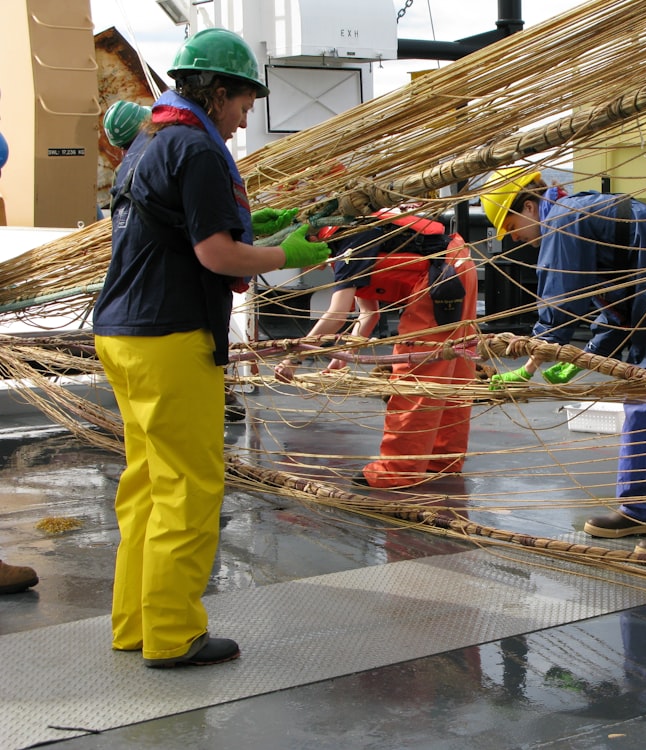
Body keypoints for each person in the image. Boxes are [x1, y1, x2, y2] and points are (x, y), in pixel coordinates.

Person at [92, 28, 331, 668]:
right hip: (171, 336)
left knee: (145, 483)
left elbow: (182, 222)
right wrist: (290, 254)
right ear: (217, 92)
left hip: (123, 333)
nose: (244, 119)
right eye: (244, 104)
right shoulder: (195, 148)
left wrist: (262, 223)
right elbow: (216, 253)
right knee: (190, 486)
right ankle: (174, 633)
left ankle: (136, 622)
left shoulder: (150, 143)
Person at [481, 168, 646, 560]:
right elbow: (614, 300)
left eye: (511, 225)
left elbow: (560, 301)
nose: (513, 237)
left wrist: (530, 363)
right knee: (639, 408)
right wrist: (594, 352)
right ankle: (642, 510)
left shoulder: (563, 221)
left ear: (530, 207)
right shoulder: (574, 215)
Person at [275, 211, 479, 489]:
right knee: (452, 372)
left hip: (439, 279)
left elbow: (336, 314)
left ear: (309, 241)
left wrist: (293, 357)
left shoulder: (347, 243)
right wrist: (344, 357)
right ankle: (441, 459)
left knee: (416, 376)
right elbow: (367, 314)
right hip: (459, 266)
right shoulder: (353, 234)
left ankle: (397, 471)